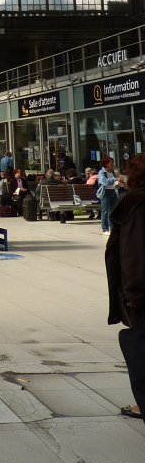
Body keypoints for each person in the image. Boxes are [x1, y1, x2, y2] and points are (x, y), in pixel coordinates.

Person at [106, 152, 145, 422]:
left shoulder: (135, 207)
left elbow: (135, 256)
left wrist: (133, 294)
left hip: (142, 294)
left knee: (139, 345)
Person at [98, 156, 123, 235]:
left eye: (112, 163)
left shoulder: (114, 172)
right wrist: (115, 180)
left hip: (113, 192)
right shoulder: (101, 172)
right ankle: (105, 229)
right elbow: (104, 182)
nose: (112, 164)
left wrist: (118, 184)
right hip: (105, 193)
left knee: (112, 211)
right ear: (106, 164)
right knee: (105, 211)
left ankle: (112, 228)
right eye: (110, 163)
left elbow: (116, 181)